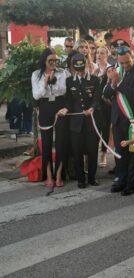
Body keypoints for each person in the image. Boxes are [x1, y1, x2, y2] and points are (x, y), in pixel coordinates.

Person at [103, 46, 134, 195]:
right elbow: (106, 94)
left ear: (132, 57)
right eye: (121, 63)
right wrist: (113, 83)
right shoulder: (116, 71)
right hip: (117, 119)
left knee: (133, 152)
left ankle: (132, 181)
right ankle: (120, 178)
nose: (124, 65)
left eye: (127, 62)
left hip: (133, 120)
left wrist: (119, 84)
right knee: (120, 151)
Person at [31, 48, 69, 187]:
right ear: (44, 61)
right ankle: (48, 175)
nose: (53, 63)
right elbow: (36, 95)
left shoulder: (63, 72)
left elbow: (64, 90)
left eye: (55, 60)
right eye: (50, 60)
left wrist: (55, 81)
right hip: (45, 107)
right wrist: (45, 82)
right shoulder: (36, 74)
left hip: (59, 106)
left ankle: (59, 174)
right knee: (46, 143)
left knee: (61, 142)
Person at [65, 54, 102, 188]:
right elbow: (69, 100)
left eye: (82, 68)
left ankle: (92, 177)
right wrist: (65, 109)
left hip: (91, 121)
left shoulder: (95, 80)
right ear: (73, 68)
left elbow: (97, 99)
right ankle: (81, 179)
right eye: (77, 69)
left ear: (86, 65)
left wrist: (92, 108)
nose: (80, 72)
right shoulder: (69, 81)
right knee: (77, 151)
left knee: (92, 151)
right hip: (76, 123)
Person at [95, 46, 112, 168]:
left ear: (107, 55)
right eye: (97, 53)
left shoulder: (110, 68)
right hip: (95, 104)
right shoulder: (93, 68)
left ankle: (103, 154)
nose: (99, 55)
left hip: (106, 104)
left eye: (102, 53)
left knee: (105, 129)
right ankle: (92, 154)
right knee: (94, 129)